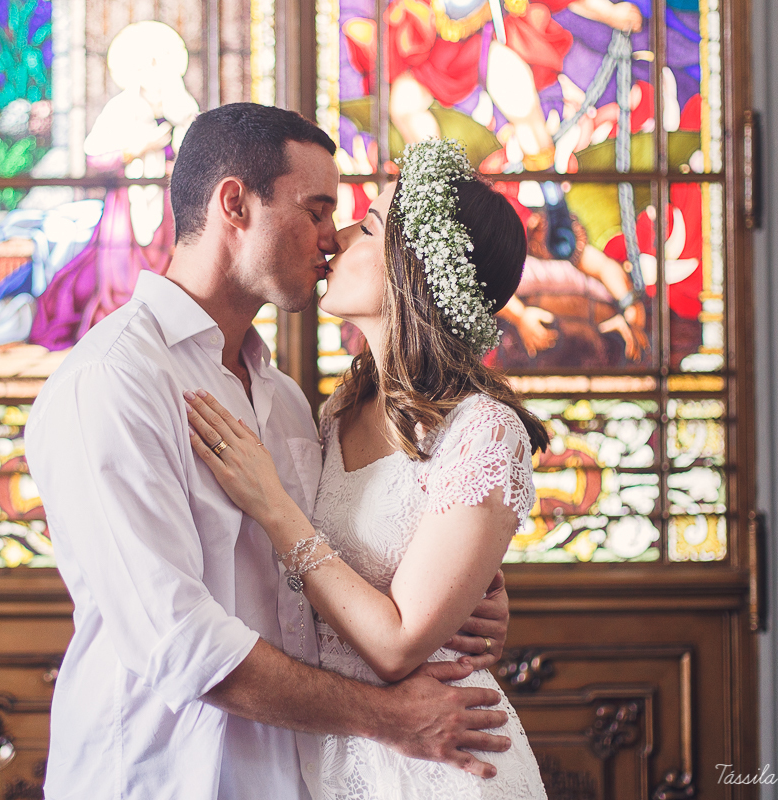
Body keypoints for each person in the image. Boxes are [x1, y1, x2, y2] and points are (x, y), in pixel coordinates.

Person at [25, 105, 514, 800]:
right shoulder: (112, 383)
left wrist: (470, 590)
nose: (331, 238)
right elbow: (175, 639)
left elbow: (344, 553)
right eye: (317, 210)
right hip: (160, 775)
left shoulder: (287, 400)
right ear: (235, 203)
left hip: (298, 773)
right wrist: (390, 718)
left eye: (343, 217)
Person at [184, 138, 551, 799]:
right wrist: (477, 591)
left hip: (437, 760)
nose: (337, 236)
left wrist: (272, 504)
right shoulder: (338, 410)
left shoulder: (484, 431)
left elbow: (397, 643)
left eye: (368, 224)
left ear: (413, 271)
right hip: (328, 750)